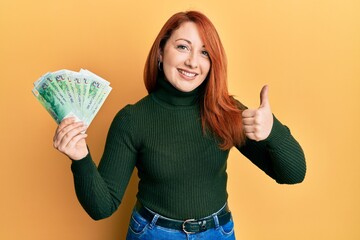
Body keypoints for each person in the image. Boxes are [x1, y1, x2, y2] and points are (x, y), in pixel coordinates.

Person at [53, 10, 306, 240]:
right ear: (161, 51)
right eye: (183, 47)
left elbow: (293, 174)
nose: (193, 62)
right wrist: (81, 159)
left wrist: (274, 131)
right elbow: (102, 206)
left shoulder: (225, 111)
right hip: (153, 234)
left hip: (217, 233)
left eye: (204, 52)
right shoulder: (132, 119)